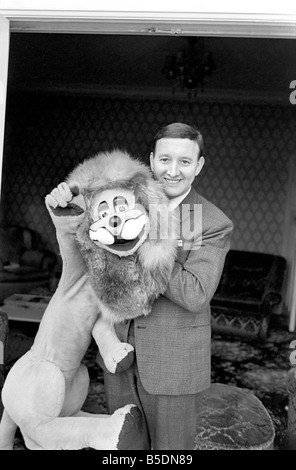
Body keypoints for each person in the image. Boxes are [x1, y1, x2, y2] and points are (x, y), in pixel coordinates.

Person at [98, 122, 234, 450]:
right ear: (151, 159)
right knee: (123, 451)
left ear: (198, 165)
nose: (172, 171)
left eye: (184, 162)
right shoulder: (126, 205)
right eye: (164, 160)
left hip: (173, 365)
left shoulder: (213, 222)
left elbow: (194, 292)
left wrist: (149, 241)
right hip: (118, 356)